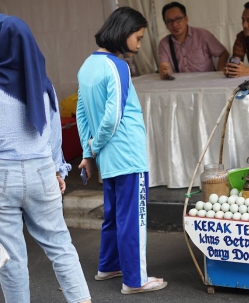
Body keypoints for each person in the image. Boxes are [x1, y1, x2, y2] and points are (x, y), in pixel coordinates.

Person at [0, 14, 92, 303]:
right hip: (42, 172)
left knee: (12, 259)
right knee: (61, 247)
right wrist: (58, 170)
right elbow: (54, 136)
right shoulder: (44, 87)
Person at [76, 7, 168, 295]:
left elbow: (81, 113)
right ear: (124, 32)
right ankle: (135, 280)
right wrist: (94, 146)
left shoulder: (86, 65)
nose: (139, 45)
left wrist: (88, 153)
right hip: (127, 155)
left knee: (115, 214)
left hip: (109, 158)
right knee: (134, 219)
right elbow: (112, 116)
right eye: (138, 38)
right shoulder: (117, 66)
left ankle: (109, 265)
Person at [158, 1, 229, 79]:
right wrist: (164, 71)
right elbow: (163, 65)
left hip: (206, 81)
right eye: (169, 21)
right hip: (182, 84)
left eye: (178, 19)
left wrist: (218, 74)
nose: (174, 24)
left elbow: (223, 53)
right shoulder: (164, 43)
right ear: (166, 25)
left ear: (186, 19)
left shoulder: (203, 35)